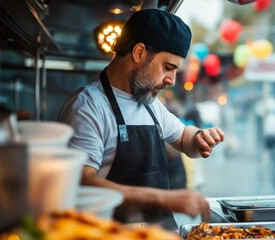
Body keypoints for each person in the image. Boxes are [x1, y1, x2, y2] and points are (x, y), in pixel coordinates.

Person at [57, 9, 224, 230]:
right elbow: (81, 182)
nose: (172, 80)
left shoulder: (150, 104)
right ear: (139, 52)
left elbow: (184, 138)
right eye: (168, 67)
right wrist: (164, 199)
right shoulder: (88, 106)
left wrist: (200, 138)